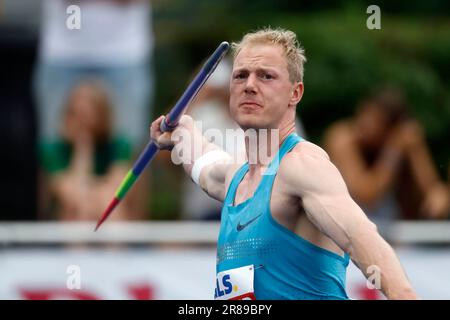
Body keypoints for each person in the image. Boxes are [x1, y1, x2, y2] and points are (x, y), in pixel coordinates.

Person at [150, 28, 417, 299]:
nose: (250, 85)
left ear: (295, 93)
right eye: (240, 75)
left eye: (266, 76)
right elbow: (207, 166)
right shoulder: (237, 178)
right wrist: (182, 133)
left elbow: (364, 242)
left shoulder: (303, 167)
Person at [323, 88, 450, 235]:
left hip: (390, 234)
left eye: (374, 120)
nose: (364, 123)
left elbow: (434, 200)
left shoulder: (400, 140)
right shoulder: (342, 138)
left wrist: (415, 149)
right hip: (342, 234)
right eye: (365, 113)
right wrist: (393, 150)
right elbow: (367, 196)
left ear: (389, 128)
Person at [39, 81, 135, 221]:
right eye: (76, 115)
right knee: (78, 206)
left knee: (107, 198)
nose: (83, 124)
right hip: (71, 214)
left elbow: (118, 190)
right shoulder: (52, 149)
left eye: (88, 116)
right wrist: (83, 146)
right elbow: (70, 195)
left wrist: (91, 193)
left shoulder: (119, 144)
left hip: (105, 204)